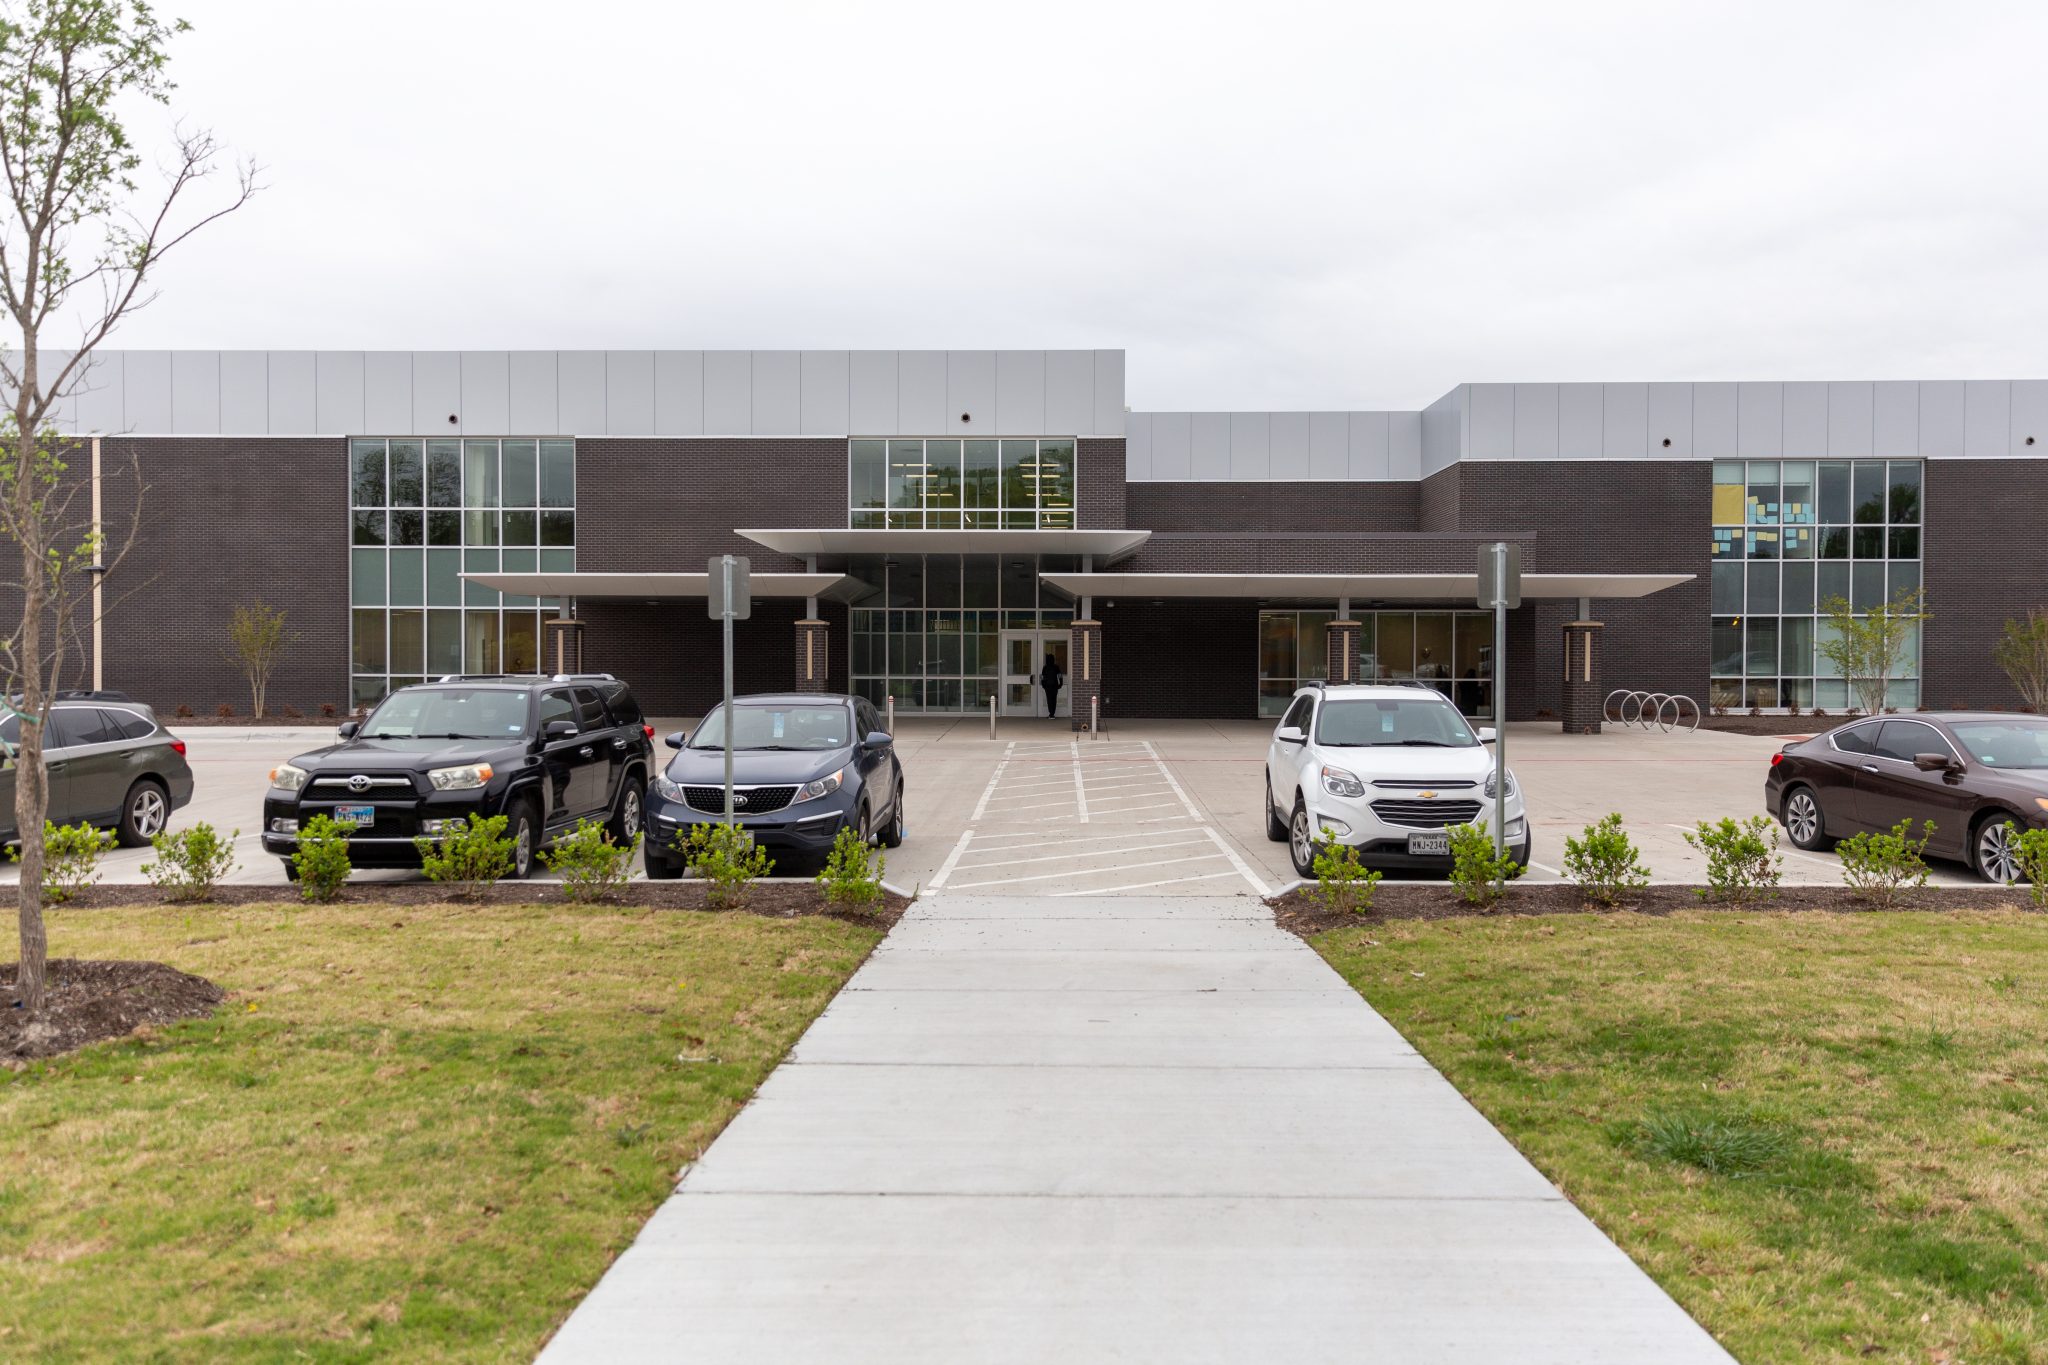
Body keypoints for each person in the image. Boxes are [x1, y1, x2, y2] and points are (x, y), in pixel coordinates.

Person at [1040, 651, 1064, 718]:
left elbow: (1042, 677)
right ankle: (1052, 714)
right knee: (1054, 700)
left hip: (1047, 686)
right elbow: (1060, 676)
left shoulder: (1045, 667)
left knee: (1049, 700)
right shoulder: (1056, 667)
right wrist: (1061, 683)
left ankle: (1051, 714)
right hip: (1055, 686)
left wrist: (1043, 684)